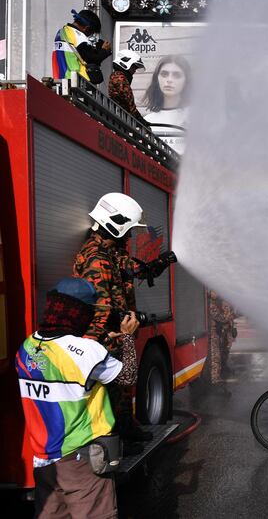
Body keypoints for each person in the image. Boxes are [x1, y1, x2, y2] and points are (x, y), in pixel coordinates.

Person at [16, 278, 140, 519]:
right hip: (81, 460)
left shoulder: (27, 347)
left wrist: (99, 342)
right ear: (80, 314)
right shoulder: (87, 353)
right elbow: (128, 376)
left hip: (44, 461)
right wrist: (127, 338)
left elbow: (65, 363)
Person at [73, 193, 176, 447]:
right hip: (104, 338)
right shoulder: (96, 258)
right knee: (110, 388)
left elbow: (129, 267)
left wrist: (158, 264)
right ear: (115, 225)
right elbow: (99, 308)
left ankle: (126, 427)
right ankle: (113, 441)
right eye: (128, 230)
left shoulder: (108, 251)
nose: (129, 236)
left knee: (121, 388)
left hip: (116, 335)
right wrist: (125, 319)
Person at [143, 55, 191, 154]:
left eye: (176, 75)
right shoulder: (147, 121)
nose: (169, 80)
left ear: (186, 81)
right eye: (164, 74)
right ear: (157, 79)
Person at [52, 9, 112, 83]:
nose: (89, 36)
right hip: (75, 81)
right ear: (86, 28)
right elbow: (92, 58)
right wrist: (105, 51)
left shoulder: (61, 32)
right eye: (91, 33)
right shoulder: (79, 36)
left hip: (59, 79)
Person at [206, 290, 237, 395]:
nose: (217, 293)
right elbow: (222, 317)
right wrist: (229, 315)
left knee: (219, 356)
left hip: (217, 333)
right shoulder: (210, 303)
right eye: (214, 291)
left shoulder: (217, 302)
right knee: (215, 358)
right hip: (212, 333)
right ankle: (214, 382)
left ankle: (216, 378)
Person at [108, 50, 146, 124]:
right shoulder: (119, 77)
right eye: (134, 67)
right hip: (118, 117)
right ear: (125, 63)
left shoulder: (117, 76)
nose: (134, 70)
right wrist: (139, 119)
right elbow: (128, 100)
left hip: (120, 116)